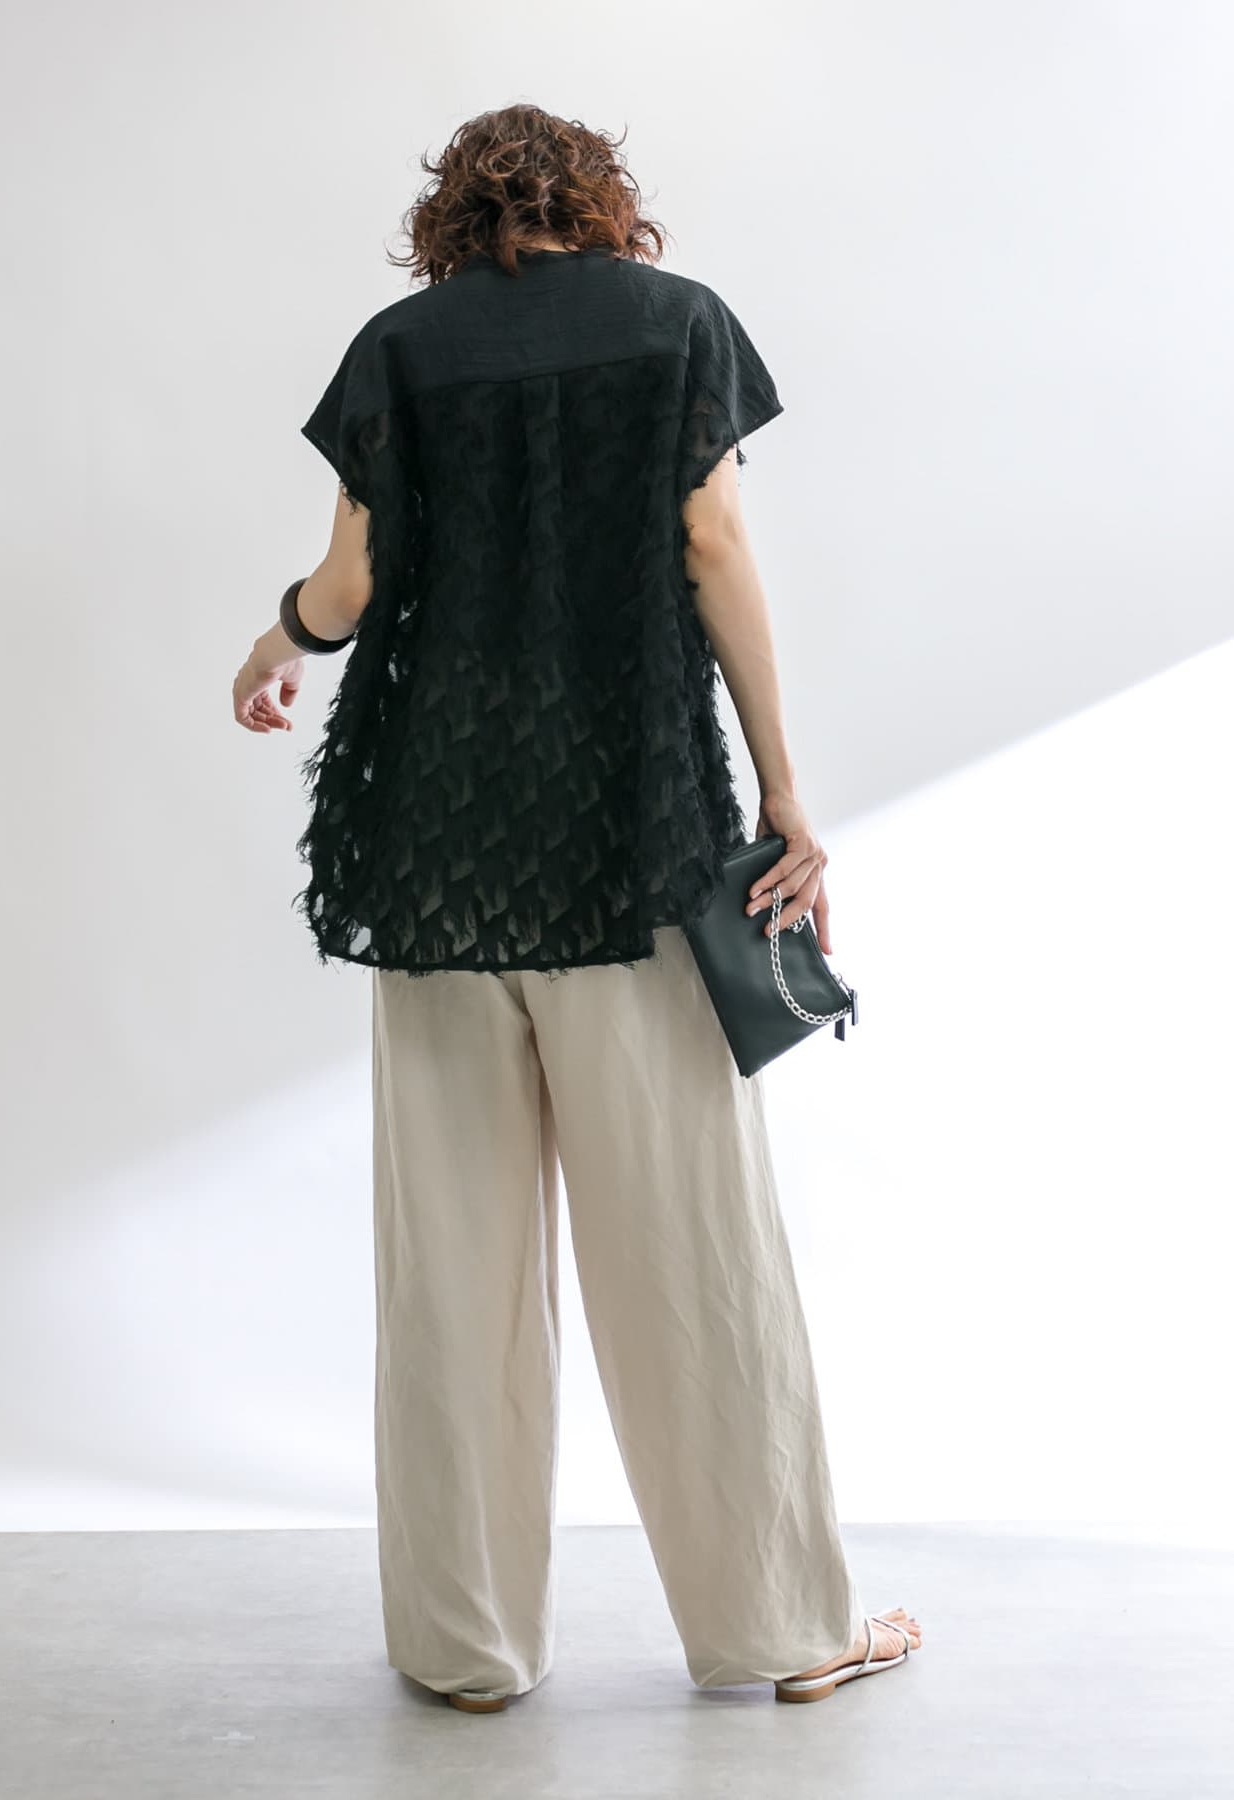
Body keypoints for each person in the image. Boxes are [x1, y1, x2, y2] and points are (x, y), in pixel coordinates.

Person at [232, 103, 921, 1711]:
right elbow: (713, 542)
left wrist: (276, 641)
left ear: (452, 216)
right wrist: (784, 792)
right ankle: (781, 1631)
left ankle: (464, 1649)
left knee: (451, 1270)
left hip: (434, 857)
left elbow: (351, 586)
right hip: (629, 842)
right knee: (689, 1250)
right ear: (600, 198)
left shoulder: (399, 350)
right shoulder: (677, 326)